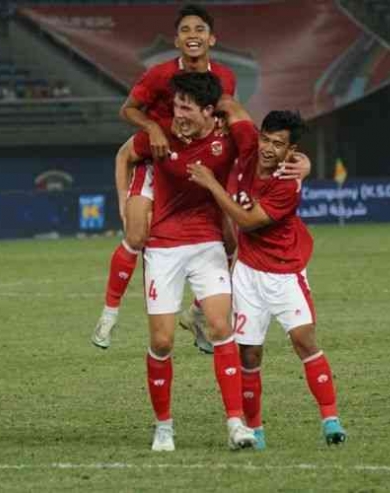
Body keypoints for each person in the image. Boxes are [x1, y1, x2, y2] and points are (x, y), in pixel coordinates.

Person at [187, 109, 347, 449]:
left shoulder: (287, 184)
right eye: (266, 139)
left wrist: (212, 184)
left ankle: (330, 419)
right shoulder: (247, 146)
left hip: (286, 272)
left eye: (278, 144)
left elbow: (246, 221)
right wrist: (208, 106)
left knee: (304, 340)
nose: (268, 148)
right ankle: (255, 430)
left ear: (291, 152)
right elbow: (231, 106)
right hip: (247, 273)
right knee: (249, 355)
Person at [120, 71, 262, 451]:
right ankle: (163, 426)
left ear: (209, 111)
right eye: (176, 105)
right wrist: (124, 203)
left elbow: (258, 146)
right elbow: (124, 156)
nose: (178, 114)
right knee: (162, 341)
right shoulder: (159, 134)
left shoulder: (225, 140)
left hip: (207, 245)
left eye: (186, 107)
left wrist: (301, 163)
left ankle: (236, 424)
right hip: (163, 248)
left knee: (220, 327)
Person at [93, 4, 239, 352]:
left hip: (200, 163)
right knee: (137, 233)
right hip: (158, 159)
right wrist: (153, 128)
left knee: (232, 240)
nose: (193, 36)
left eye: (199, 29)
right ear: (176, 40)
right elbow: (127, 111)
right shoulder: (159, 75)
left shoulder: (225, 78)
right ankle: (109, 314)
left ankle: (198, 312)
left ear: (212, 38)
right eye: (185, 30)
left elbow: (230, 114)